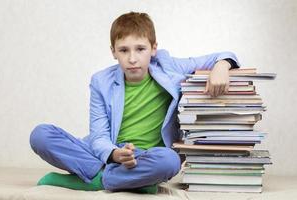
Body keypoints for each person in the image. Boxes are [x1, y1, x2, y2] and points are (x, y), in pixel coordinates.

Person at [29, 11, 239, 194]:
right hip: (107, 152)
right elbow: (99, 134)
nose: (132, 58)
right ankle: (124, 180)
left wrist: (221, 66)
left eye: (140, 49)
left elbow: (224, 55)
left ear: (153, 48)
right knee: (41, 135)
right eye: (123, 50)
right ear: (113, 52)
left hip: (148, 157)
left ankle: (96, 180)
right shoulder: (101, 81)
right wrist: (113, 154)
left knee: (171, 161)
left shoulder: (168, 66)